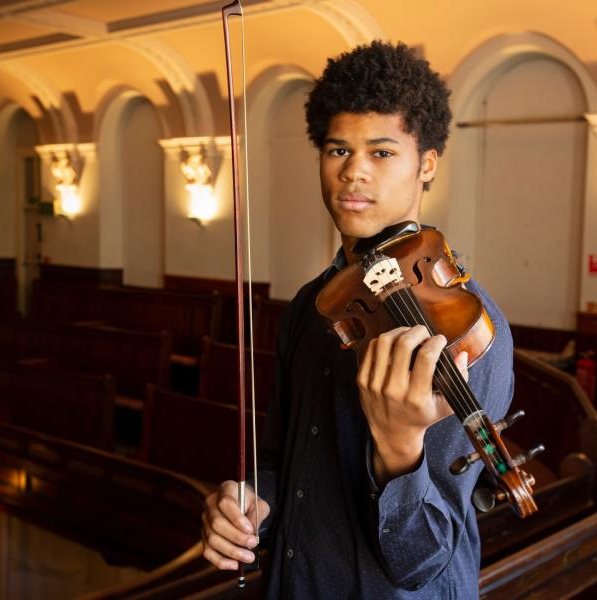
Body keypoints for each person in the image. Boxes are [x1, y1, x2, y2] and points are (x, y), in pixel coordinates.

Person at [200, 40, 514, 598]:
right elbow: (280, 457)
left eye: (382, 153)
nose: (353, 173)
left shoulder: (467, 326)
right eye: (338, 150)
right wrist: (251, 501)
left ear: (428, 164)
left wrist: (399, 450)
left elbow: (421, 563)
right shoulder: (311, 304)